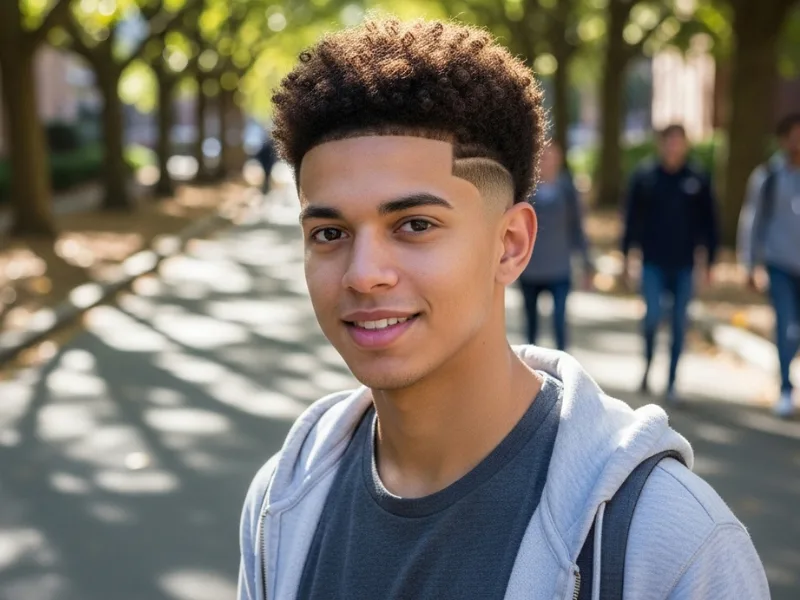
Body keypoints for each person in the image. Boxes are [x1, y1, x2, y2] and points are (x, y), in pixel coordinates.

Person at [238, 18, 768, 600]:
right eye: (330, 233)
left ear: (510, 244)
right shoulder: (281, 504)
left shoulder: (671, 546)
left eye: (415, 225)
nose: (364, 273)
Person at [621, 124, 719, 404]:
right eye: (670, 142)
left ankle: (672, 381)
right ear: (661, 144)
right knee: (652, 317)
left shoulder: (698, 178)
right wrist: (627, 256)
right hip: (652, 261)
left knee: (679, 323)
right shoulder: (645, 177)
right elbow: (630, 219)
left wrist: (709, 261)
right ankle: (648, 363)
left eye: (679, 142)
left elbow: (710, 223)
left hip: (685, 264)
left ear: (685, 145)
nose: (674, 148)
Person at [737, 113, 800, 419]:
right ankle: (786, 388)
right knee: (788, 328)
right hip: (779, 265)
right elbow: (752, 221)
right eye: (793, 135)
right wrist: (749, 264)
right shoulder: (769, 176)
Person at [519, 142, 592, 350]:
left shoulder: (567, 190)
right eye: (542, 158)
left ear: (559, 160)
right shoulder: (525, 190)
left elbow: (577, 228)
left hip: (559, 269)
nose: (546, 162)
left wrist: (586, 264)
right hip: (530, 268)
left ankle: (562, 371)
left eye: (551, 157)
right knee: (531, 327)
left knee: (560, 323)